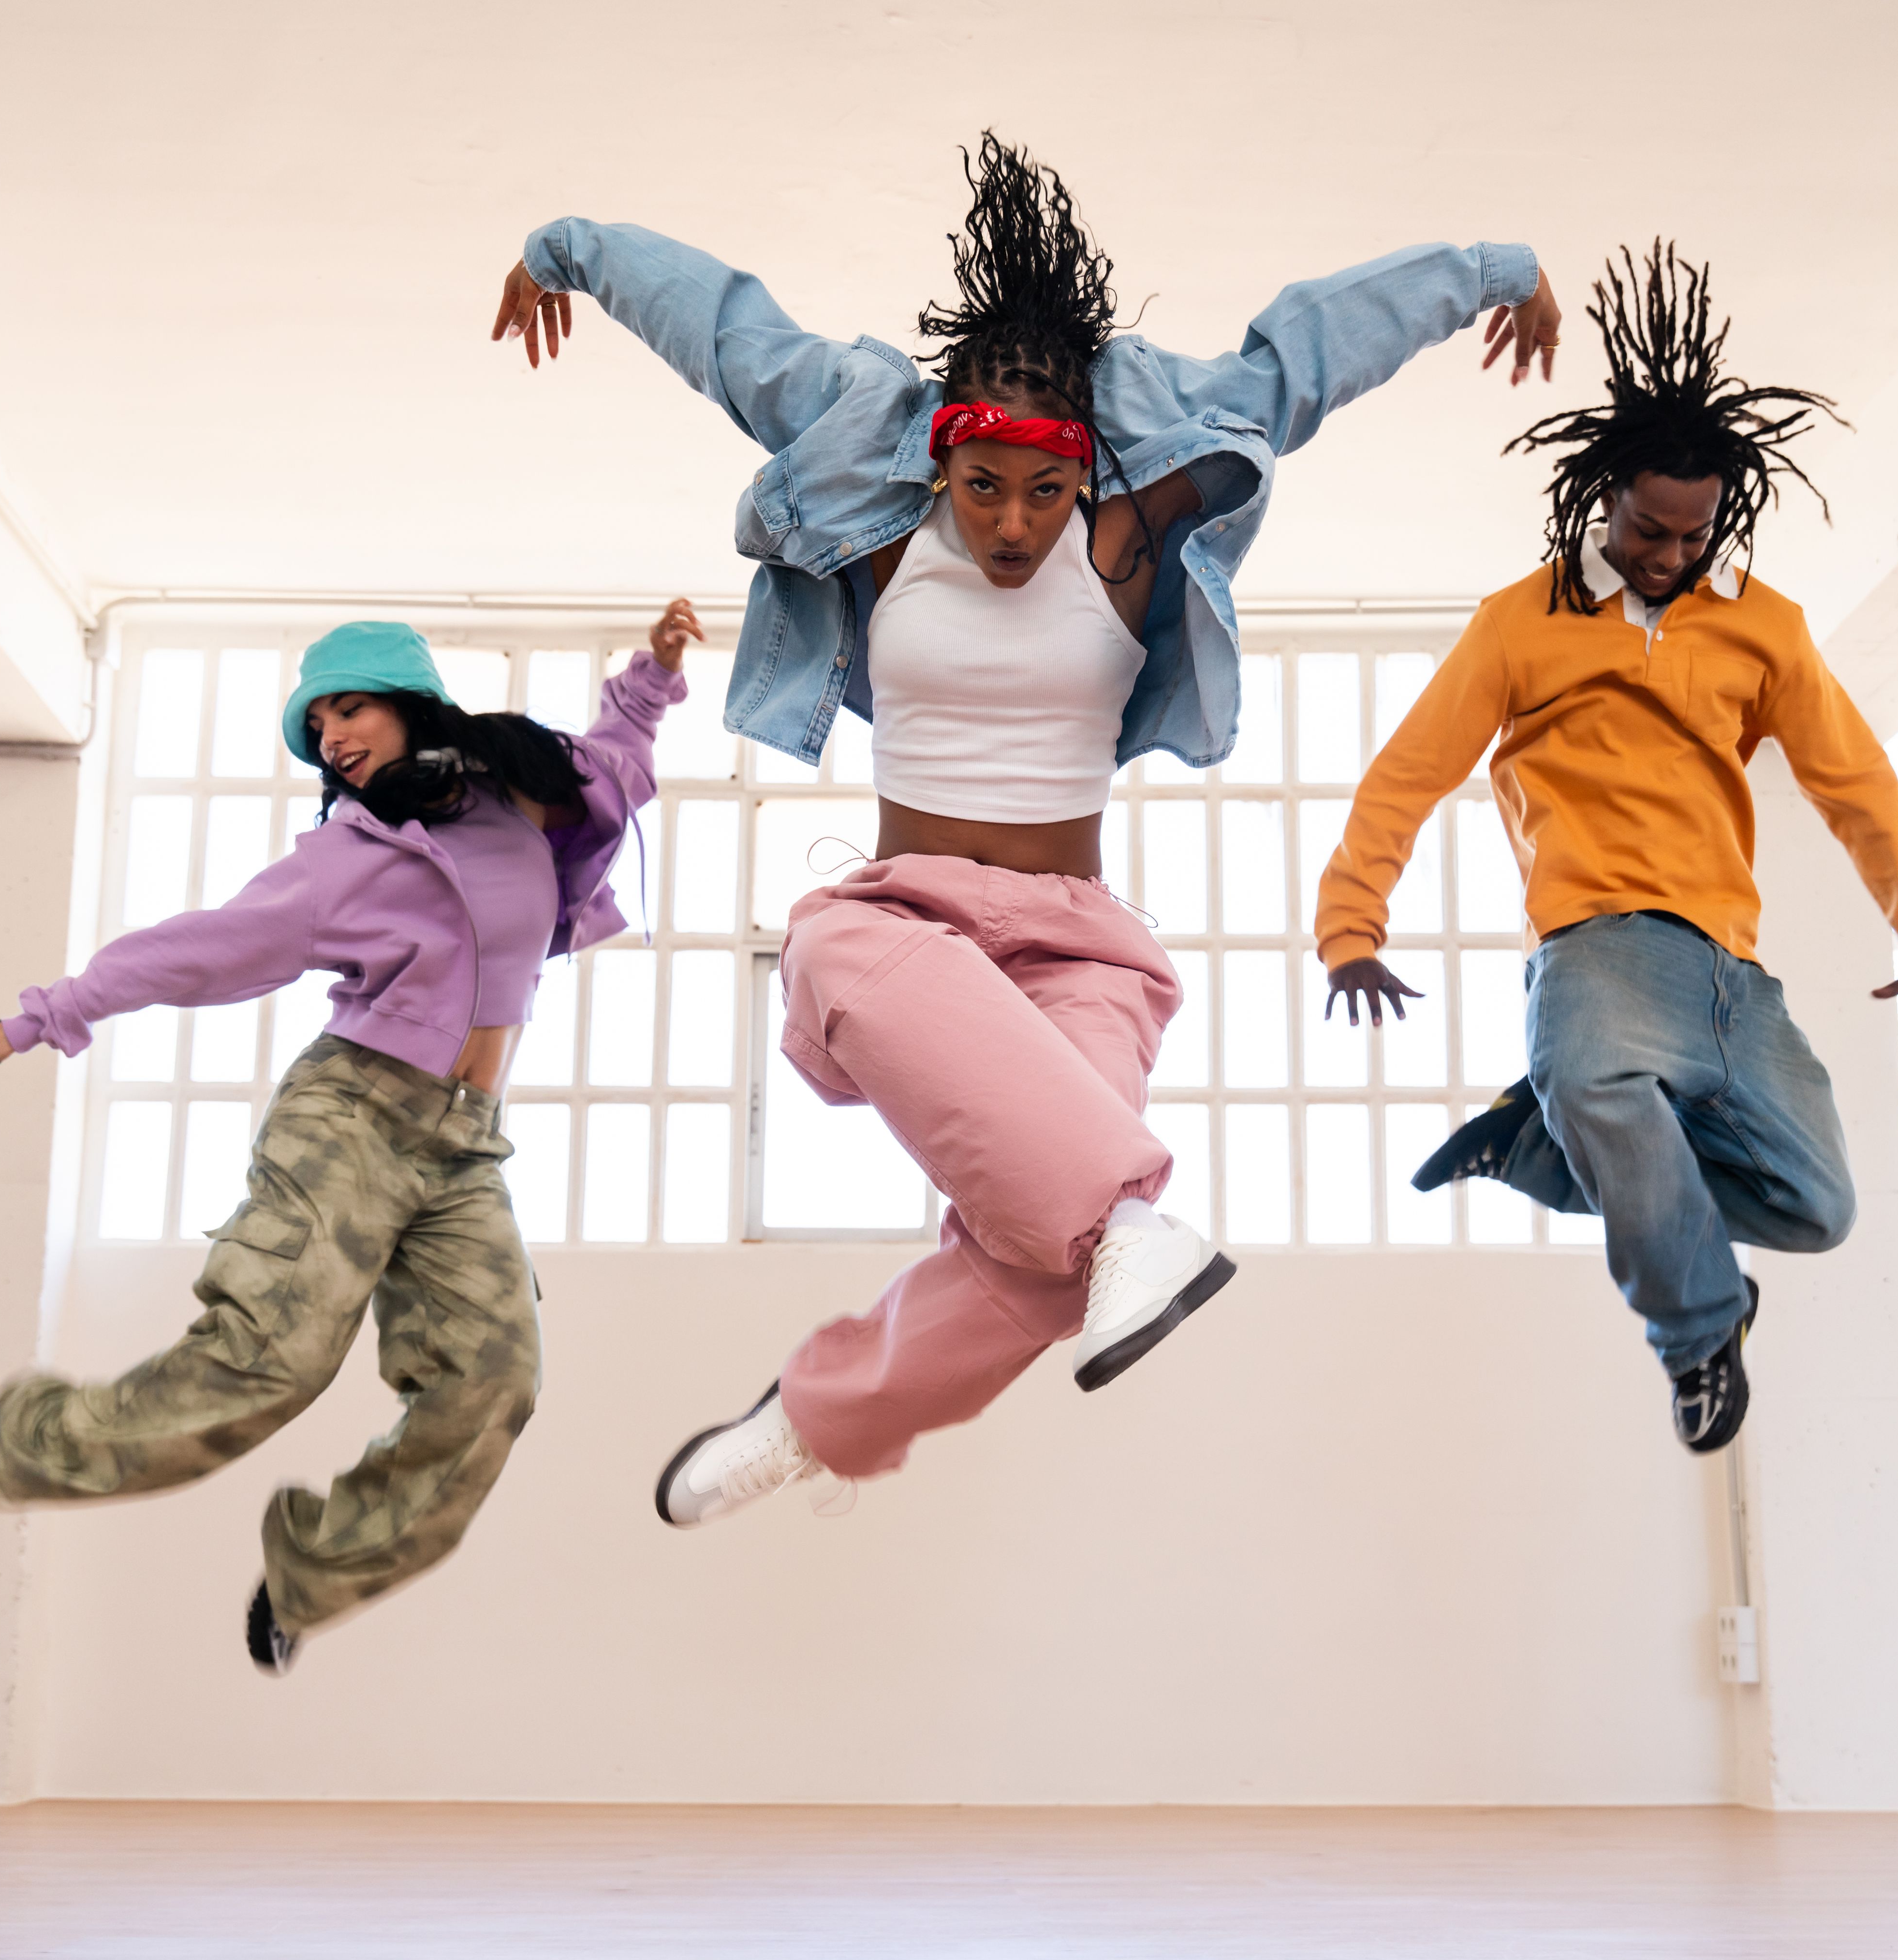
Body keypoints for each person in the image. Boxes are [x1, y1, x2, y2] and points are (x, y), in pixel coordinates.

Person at [490, 135, 1566, 1525]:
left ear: (1085, 476)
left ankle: (816, 1421)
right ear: (939, 455)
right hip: (908, 925)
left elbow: (1301, 359)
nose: (1008, 525)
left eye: (1041, 492)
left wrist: (1489, 273)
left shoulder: (1133, 523)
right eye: (981, 486)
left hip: (1081, 950)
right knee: (845, 970)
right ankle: (1132, 1217)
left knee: (1054, 1261)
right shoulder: (872, 517)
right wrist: (565, 244)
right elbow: (728, 330)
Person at [0, 605, 700, 1672]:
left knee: (493, 1383)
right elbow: (198, 950)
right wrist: (33, 1021)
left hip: (463, 1149)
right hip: (350, 1121)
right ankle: (12, 1453)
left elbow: (615, 767)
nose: (331, 737)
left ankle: (315, 1576)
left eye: (350, 709)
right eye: (316, 723)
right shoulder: (345, 860)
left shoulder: (519, 802)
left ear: (414, 711)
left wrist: (650, 676)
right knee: (266, 1368)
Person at [1312, 244, 1898, 1456]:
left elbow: (1854, 783)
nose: (1669, 557)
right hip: (1602, 950)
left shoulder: (1760, 628)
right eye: (1647, 530)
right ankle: (1697, 1328)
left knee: (1817, 1210)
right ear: (1598, 497)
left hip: (1732, 976)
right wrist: (1352, 925)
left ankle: (1555, 1147)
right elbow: (1411, 772)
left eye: (1693, 535)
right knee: (1600, 1078)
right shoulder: (1523, 622)